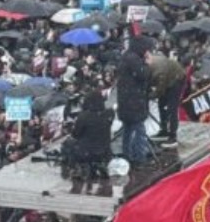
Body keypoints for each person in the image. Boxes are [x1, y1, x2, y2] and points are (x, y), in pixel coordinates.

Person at [116, 36, 154, 166]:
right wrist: (148, 64)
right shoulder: (134, 60)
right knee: (139, 129)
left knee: (127, 129)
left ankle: (127, 153)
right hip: (134, 101)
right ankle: (139, 156)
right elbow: (143, 74)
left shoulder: (126, 57)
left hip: (125, 100)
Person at [67, 91, 114, 196]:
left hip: (86, 151)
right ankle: (101, 165)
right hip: (104, 150)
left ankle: (75, 168)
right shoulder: (109, 113)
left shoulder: (84, 116)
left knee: (69, 143)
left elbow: (76, 134)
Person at [148, 53, 186, 149]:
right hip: (168, 78)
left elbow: (160, 90)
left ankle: (172, 135)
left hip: (176, 79)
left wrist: (150, 96)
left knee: (171, 108)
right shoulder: (151, 64)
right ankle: (164, 130)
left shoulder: (159, 71)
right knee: (161, 105)